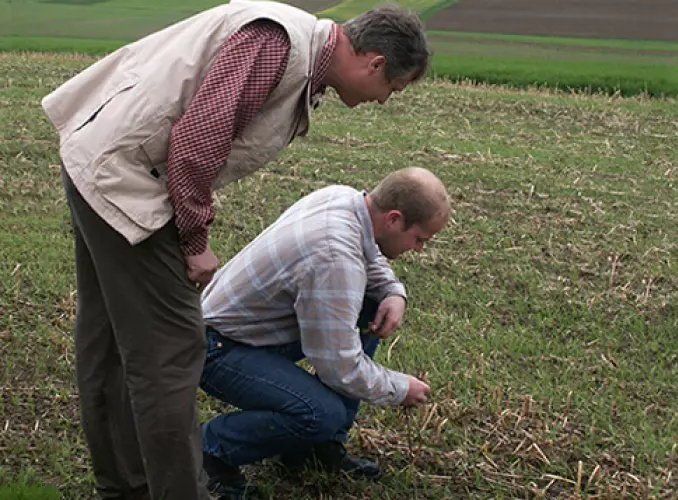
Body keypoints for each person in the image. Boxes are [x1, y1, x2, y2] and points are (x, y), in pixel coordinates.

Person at [41, 1, 430, 498]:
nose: (384, 101)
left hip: (103, 161)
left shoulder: (292, 45)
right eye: (392, 89)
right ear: (374, 63)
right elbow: (195, 144)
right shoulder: (279, 45)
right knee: (172, 353)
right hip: (127, 180)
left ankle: (124, 488)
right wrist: (194, 240)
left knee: (110, 343)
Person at [198, 168, 450, 497]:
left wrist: (392, 291)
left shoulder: (344, 199)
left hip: (243, 330)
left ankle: (313, 449)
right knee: (320, 413)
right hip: (217, 348)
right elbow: (341, 369)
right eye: (420, 239)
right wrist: (400, 389)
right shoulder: (335, 258)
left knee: (373, 302)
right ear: (393, 219)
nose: (419, 249)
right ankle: (208, 451)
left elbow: (368, 251)